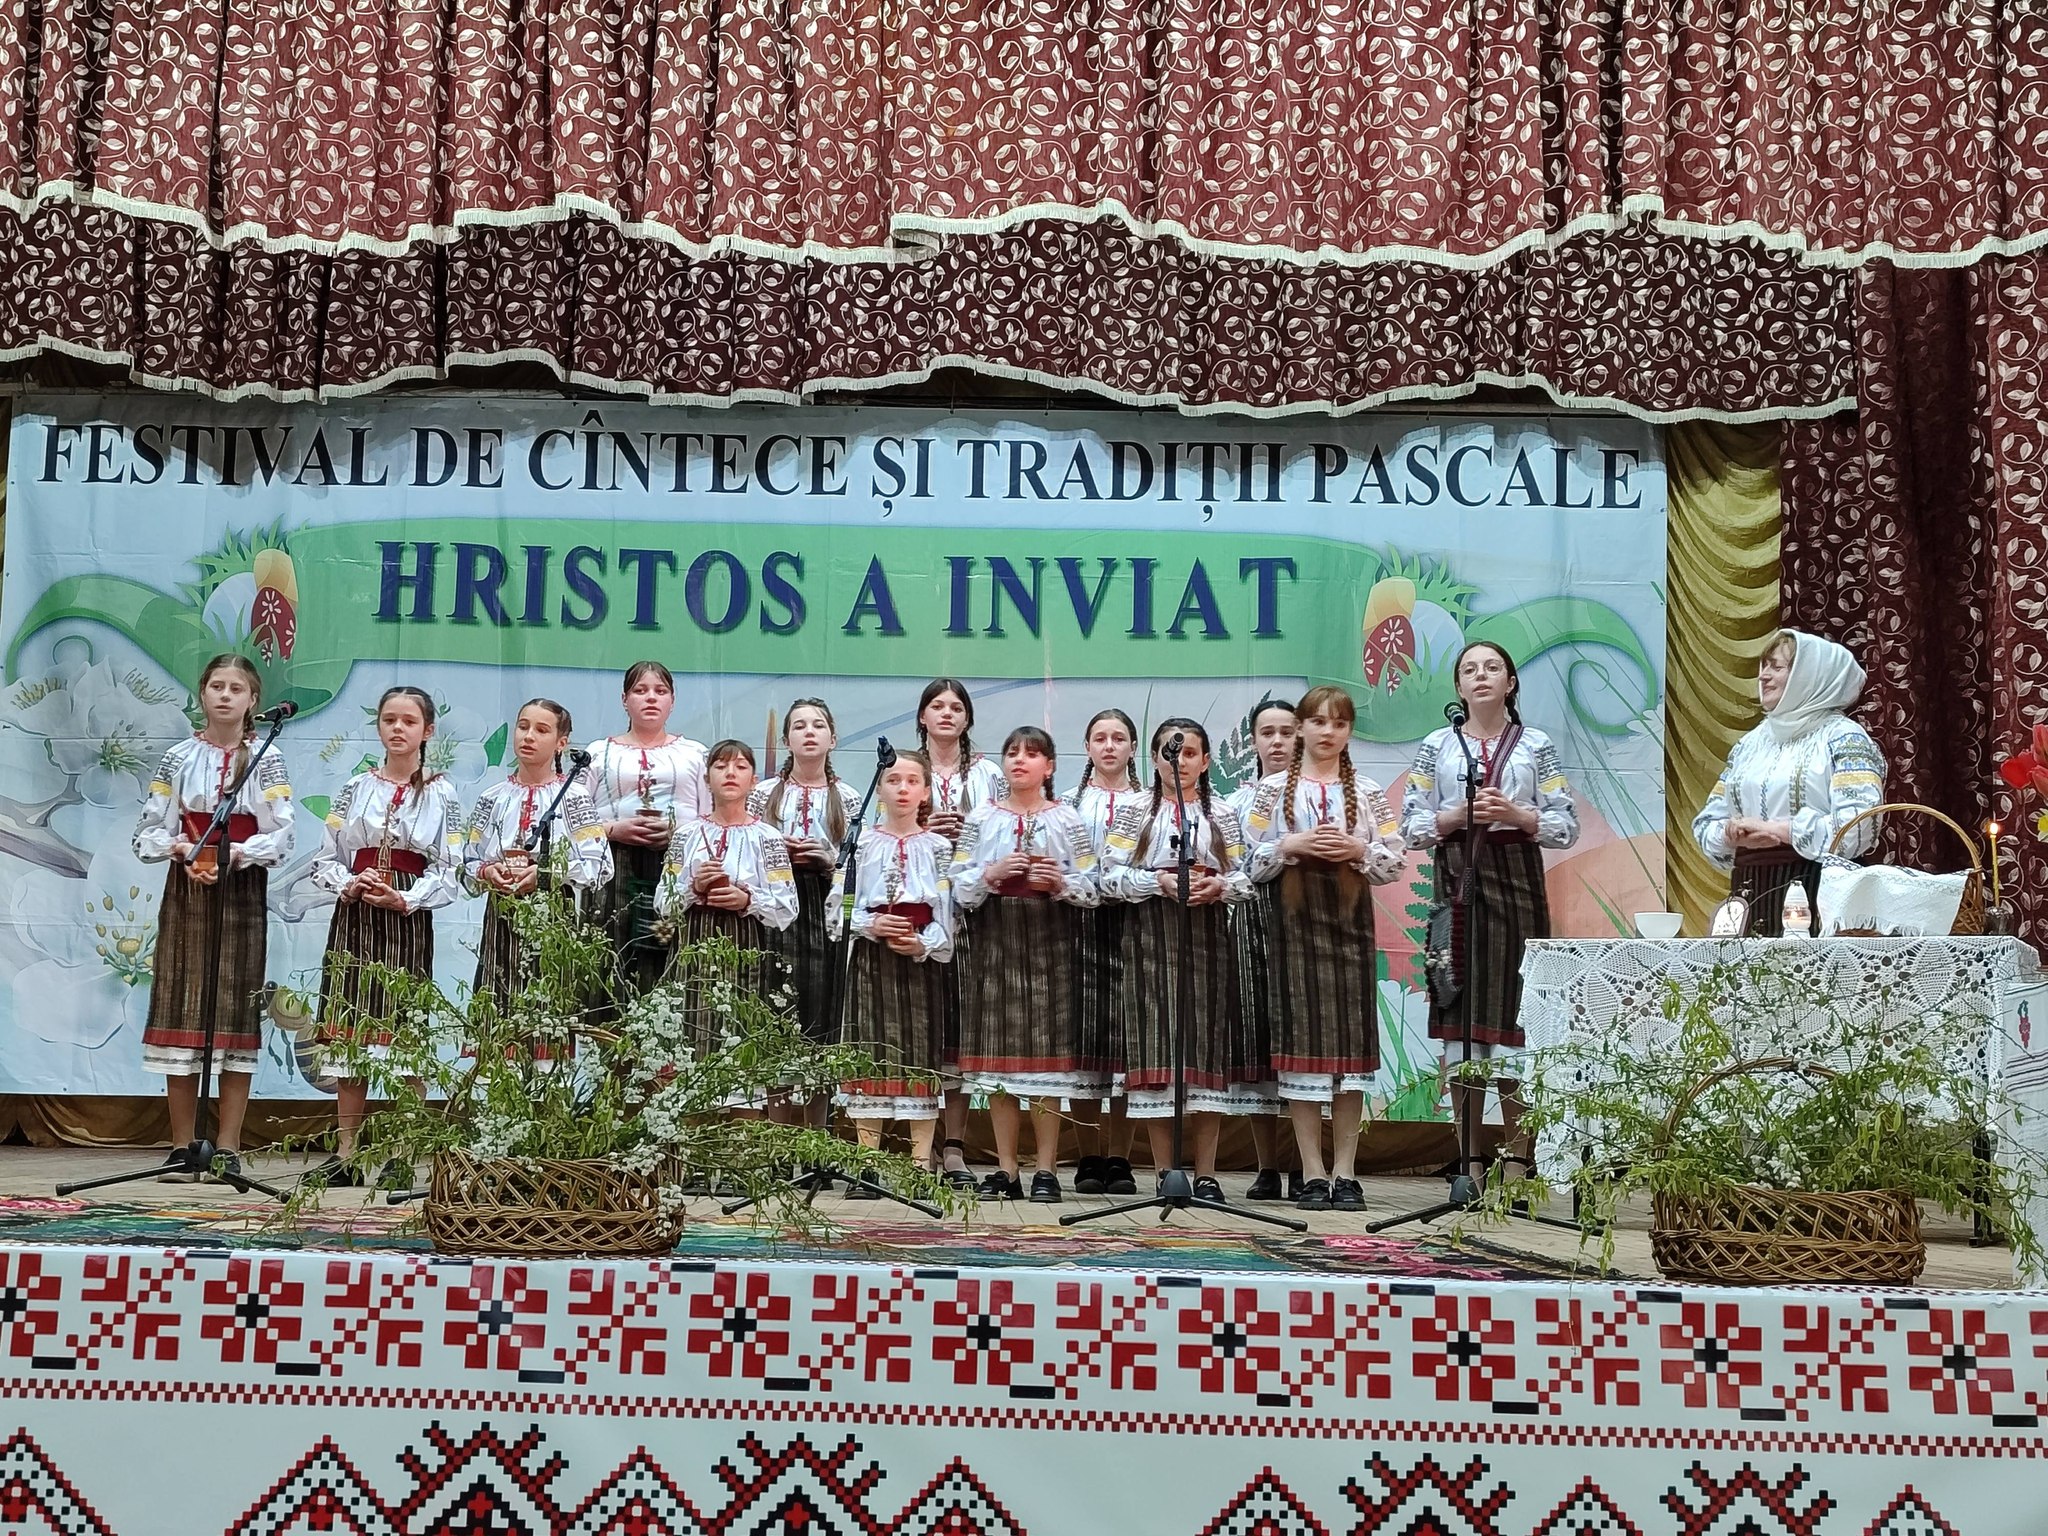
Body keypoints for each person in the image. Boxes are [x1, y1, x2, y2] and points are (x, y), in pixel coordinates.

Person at [1402, 643, 1579, 1186]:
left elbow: (1565, 825)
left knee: (1513, 1019)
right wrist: (1455, 814)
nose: (1481, 676)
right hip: (1456, 879)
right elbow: (1410, 826)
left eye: (1492, 668)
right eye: (1469, 670)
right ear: (1458, 687)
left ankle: (1520, 1160)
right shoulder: (1437, 745)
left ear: (1510, 682)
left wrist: (1519, 815)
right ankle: (1469, 1160)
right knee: (1460, 1018)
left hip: (1516, 879)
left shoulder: (1536, 744)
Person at [133, 653, 297, 1184]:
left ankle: (226, 1148)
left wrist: (234, 854)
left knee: (233, 1014)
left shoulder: (267, 759)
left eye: (236, 688)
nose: (225, 696)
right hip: (187, 886)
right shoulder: (177, 757)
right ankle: (182, 1146)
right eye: (216, 686)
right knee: (182, 1007)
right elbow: (147, 831)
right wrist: (183, 849)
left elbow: (282, 833)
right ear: (202, 694)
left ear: (253, 700)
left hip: (241, 888)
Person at [1243, 685, 1407, 1212]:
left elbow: (1394, 861)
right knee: (1301, 1048)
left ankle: (1346, 1172)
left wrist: (1357, 848)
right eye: (1318, 722)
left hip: (1349, 922)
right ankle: (1312, 1171)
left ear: (1349, 731)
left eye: (1339, 723)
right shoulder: (1271, 791)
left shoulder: (1369, 791)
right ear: (1302, 728)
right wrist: (1290, 844)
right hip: (1293, 922)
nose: (1328, 732)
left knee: (1350, 1051)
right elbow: (1246, 860)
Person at [1101, 719, 1265, 1202]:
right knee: (1156, 1046)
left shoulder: (1222, 812)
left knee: (1204, 1046)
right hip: (1149, 934)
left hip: (1207, 933)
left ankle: (1207, 1173)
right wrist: (1157, 881)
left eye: (1191, 753)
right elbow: (1108, 875)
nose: (1182, 761)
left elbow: (1248, 876)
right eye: (1172, 753)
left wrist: (1219, 885)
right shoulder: (1134, 810)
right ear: (1154, 760)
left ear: (1206, 761)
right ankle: (1164, 1172)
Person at [309, 686, 465, 1185]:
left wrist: (406, 897)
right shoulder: (354, 788)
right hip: (354, 916)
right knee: (350, 1030)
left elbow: (451, 867)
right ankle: (347, 1154)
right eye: (389, 719)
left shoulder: (442, 793)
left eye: (409, 721)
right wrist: (349, 883)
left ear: (428, 731)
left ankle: (402, 1152)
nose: (398, 728)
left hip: (406, 920)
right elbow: (324, 857)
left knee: (404, 1034)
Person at [951, 726, 1101, 1201]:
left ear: (1049, 767)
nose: (1020, 760)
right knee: (1000, 1063)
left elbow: (1093, 886)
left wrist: (1059, 884)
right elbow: (956, 883)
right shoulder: (981, 818)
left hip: (1050, 944)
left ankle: (1047, 1169)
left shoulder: (1068, 819)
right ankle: (1007, 1168)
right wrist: (990, 874)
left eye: (1032, 754)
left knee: (1045, 1064)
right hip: (995, 943)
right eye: (1012, 752)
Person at [1692, 629, 1886, 936]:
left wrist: (1781, 831)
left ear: (1809, 676)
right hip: (1751, 894)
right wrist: (1730, 833)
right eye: (1763, 666)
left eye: (1777, 667)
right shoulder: (1750, 745)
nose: (1763, 676)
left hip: (1818, 892)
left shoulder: (1843, 738)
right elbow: (1707, 823)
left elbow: (1859, 826)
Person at [829, 749, 954, 1192]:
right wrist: (872, 924)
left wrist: (924, 942)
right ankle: (867, 1164)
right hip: (871, 957)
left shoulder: (939, 848)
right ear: (879, 789)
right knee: (869, 1050)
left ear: (926, 791)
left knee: (919, 1053)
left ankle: (920, 1166)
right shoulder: (860, 843)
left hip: (918, 961)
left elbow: (949, 911)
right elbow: (835, 910)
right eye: (894, 780)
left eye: (912, 781)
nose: (902, 789)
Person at [655, 741, 799, 1087]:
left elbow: (787, 906)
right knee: (688, 1028)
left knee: (739, 1036)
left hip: (744, 944)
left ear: (753, 781)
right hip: (692, 943)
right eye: (720, 766)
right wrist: (694, 886)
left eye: (740, 767)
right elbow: (663, 902)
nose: (730, 773)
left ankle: (740, 1119)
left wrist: (746, 898)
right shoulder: (687, 834)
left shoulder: (767, 837)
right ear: (707, 779)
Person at [463, 698, 613, 1030]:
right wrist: (487, 871)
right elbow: (466, 862)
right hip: (500, 915)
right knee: (496, 1013)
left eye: (542, 730)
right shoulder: (492, 797)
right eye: (523, 727)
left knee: (546, 1017)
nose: (528, 736)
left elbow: (600, 864)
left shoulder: (573, 798)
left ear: (562, 743)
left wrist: (545, 874)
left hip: (553, 914)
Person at [914, 678, 1004, 1190]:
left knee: (960, 1027)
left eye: (955, 707)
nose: (946, 713)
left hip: (974, 911)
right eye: (937, 705)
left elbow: (1009, 833)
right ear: (922, 716)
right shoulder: (904, 768)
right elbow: (885, 829)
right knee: (921, 1022)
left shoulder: (989, 774)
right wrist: (926, 829)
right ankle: (918, 1143)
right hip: (920, 905)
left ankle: (954, 1145)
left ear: (967, 718)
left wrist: (968, 829)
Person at [579, 662, 708, 995]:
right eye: (640, 690)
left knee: (667, 959)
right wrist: (612, 829)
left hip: (676, 865)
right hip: (612, 865)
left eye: (660, 691)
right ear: (625, 700)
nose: (651, 698)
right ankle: (605, 1027)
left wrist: (677, 830)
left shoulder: (695, 754)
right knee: (608, 955)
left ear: (672, 701)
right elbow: (573, 817)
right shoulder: (598, 752)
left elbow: (712, 818)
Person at [749, 700, 860, 1055]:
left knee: (820, 991)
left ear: (833, 739)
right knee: (773, 988)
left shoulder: (849, 798)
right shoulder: (762, 794)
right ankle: (772, 1082)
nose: (809, 732)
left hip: (824, 901)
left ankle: (816, 1079)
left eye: (817, 725)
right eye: (799, 726)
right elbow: (744, 850)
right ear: (786, 741)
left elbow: (860, 862)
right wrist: (777, 852)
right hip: (775, 904)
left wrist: (828, 861)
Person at [1064, 707, 1143, 1196]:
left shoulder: (1148, 802)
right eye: (1100, 738)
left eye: (1118, 738)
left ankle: (1121, 1157)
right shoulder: (1069, 803)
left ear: (1133, 748)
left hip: (1135, 925)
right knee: (1086, 1044)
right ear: (1088, 747)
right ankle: (1088, 1154)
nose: (1109, 746)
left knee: (1128, 1044)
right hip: (1080, 926)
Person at [1225, 695, 1300, 1201]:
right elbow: (1236, 866)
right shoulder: (1238, 802)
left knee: (1304, 1040)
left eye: (1287, 732)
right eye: (1267, 733)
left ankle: (1305, 1164)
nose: (1277, 742)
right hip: (1254, 919)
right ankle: (1267, 1164)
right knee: (1258, 1037)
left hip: (1309, 920)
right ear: (1253, 741)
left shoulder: (1324, 794)